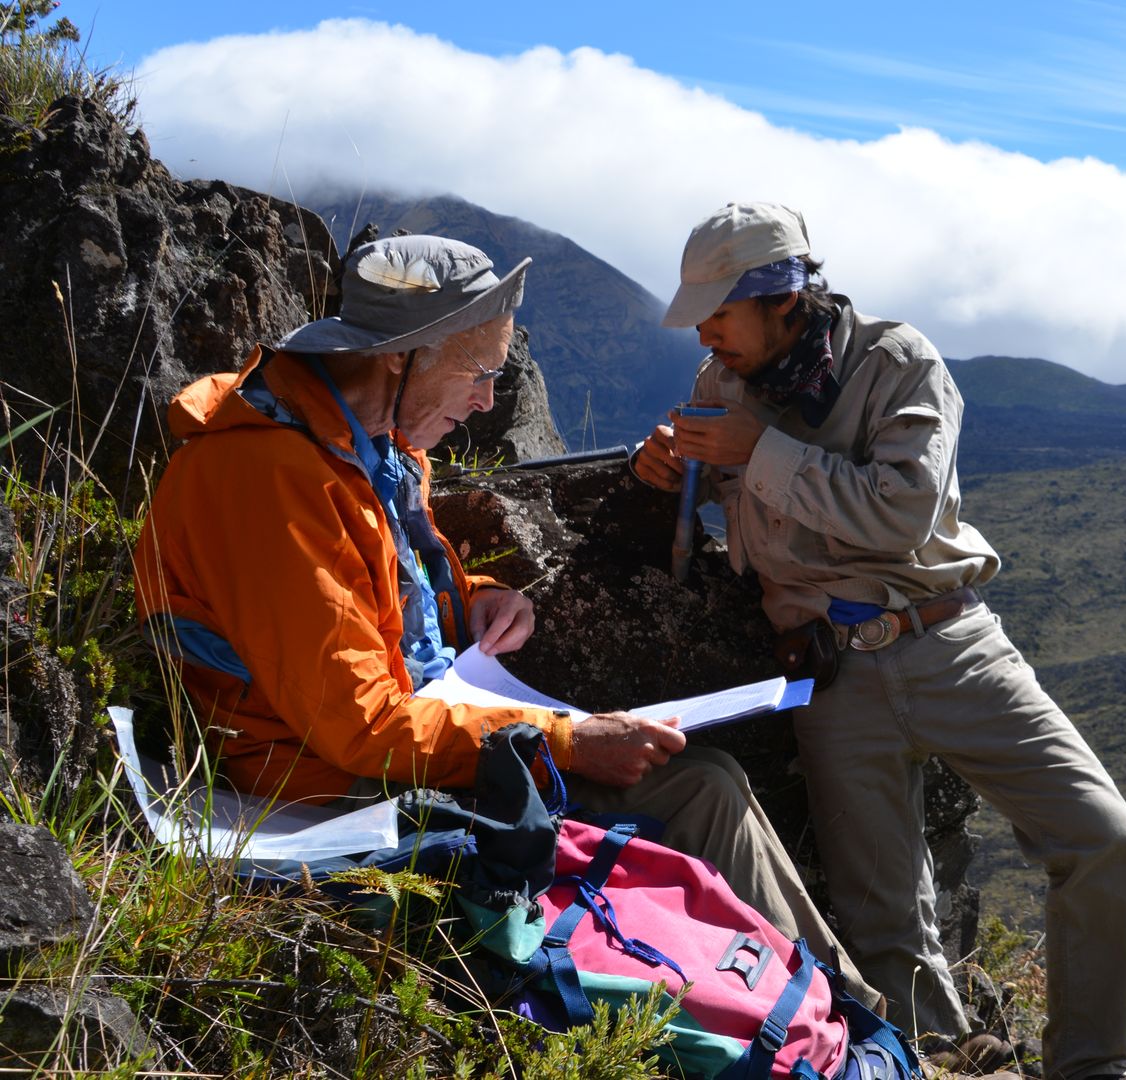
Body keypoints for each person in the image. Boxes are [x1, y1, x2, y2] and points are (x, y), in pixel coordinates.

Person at [133, 234, 875, 1007]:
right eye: (479, 372)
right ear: (401, 355)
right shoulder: (271, 480)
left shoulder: (371, 452)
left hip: (405, 752)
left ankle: (850, 1018)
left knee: (710, 786)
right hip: (343, 795)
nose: (489, 399)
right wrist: (567, 742)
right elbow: (357, 725)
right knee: (700, 793)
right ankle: (841, 1028)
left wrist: (476, 593)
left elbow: (388, 595)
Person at [631, 203, 1126, 1080]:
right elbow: (721, 506)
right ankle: (949, 1062)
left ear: (783, 295)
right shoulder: (723, 385)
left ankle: (1093, 1067)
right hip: (829, 677)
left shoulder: (899, 363)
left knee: (1100, 835)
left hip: (949, 645)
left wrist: (759, 453)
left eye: (721, 309)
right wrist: (667, 472)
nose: (706, 331)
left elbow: (904, 511)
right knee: (886, 928)